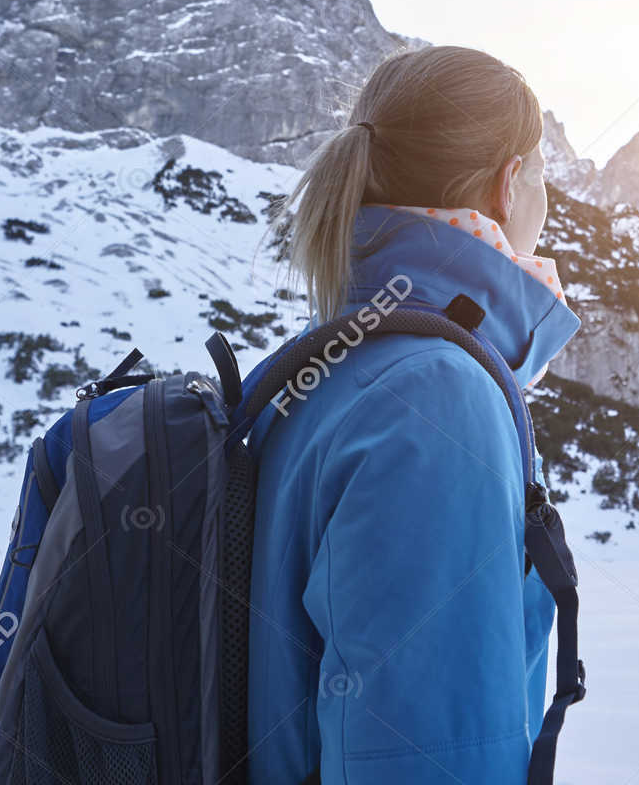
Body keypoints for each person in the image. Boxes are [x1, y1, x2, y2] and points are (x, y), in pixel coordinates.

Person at [243, 44, 582, 784]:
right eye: (544, 176)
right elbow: (425, 755)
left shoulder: (331, 361)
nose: (547, 202)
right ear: (508, 184)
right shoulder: (435, 395)